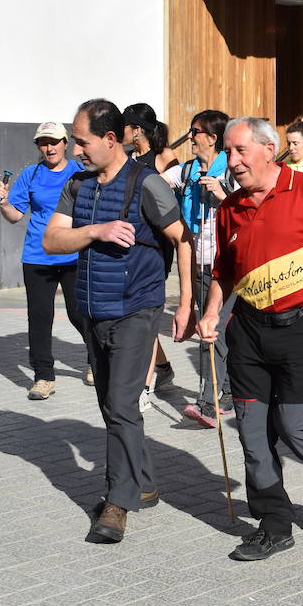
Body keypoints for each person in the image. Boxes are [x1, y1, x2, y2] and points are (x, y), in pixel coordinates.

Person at [196, 117, 303, 561]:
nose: (232, 161)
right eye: (228, 152)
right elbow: (223, 272)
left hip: (301, 328)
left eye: (240, 151)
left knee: (294, 426)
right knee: (251, 432)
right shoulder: (229, 206)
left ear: (270, 149)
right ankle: (273, 524)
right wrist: (210, 312)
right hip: (247, 332)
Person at [43, 98, 194, 544]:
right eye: (74, 142)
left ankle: (117, 501)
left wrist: (184, 304)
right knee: (112, 404)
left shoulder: (147, 185)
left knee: (123, 405)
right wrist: (95, 231)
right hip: (93, 311)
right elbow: (52, 240)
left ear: (111, 140)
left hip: (136, 310)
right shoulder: (78, 185)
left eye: (82, 142)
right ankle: (144, 482)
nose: (75, 151)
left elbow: (183, 239)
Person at [0, 122, 89, 400]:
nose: (49, 147)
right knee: (39, 317)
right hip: (37, 255)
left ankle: (94, 358)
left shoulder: (79, 172)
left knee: (78, 312)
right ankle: (44, 376)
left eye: (54, 141)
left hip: (73, 253)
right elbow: (16, 215)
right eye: (43, 142)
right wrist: (4, 203)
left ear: (65, 143)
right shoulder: (30, 175)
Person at [165, 109, 236, 427]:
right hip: (197, 262)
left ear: (212, 137)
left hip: (227, 265)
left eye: (195, 131)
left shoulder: (232, 168)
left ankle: (208, 404)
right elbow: (157, 183)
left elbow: (251, 205)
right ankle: (231, 395)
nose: (190, 136)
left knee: (212, 332)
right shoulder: (189, 169)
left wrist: (223, 195)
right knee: (217, 333)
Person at [122, 102, 179, 403]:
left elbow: (174, 197)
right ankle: (163, 367)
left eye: (125, 126)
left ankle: (144, 386)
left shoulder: (164, 157)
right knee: (139, 312)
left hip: (158, 243)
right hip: (132, 242)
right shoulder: (127, 158)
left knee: (145, 311)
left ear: (137, 130)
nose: (121, 132)